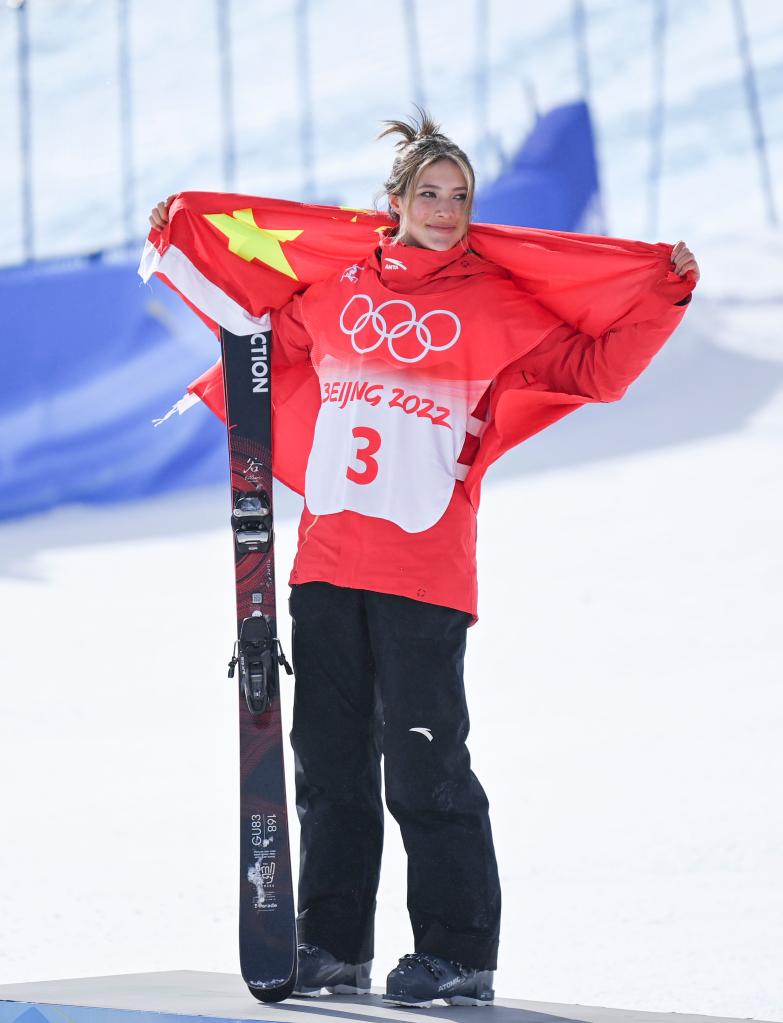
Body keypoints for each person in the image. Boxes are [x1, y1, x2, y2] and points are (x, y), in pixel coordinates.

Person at [149, 109, 699, 1008]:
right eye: (428, 194)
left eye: (460, 196)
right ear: (393, 202)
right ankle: (329, 941)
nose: (445, 209)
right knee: (326, 765)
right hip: (324, 563)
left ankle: (456, 951)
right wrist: (186, 240)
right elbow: (252, 343)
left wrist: (663, 295)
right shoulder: (330, 295)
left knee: (424, 766)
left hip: (422, 571)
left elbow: (596, 369)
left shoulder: (496, 302)